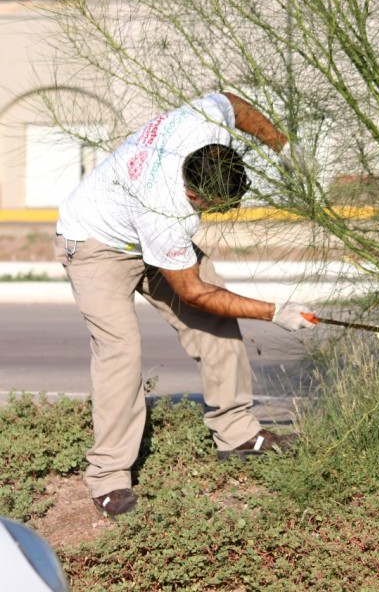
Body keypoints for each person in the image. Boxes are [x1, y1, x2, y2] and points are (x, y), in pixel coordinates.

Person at [55, 91, 317, 519]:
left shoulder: (205, 124)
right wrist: (276, 312)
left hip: (135, 226)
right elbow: (194, 292)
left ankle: (236, 435)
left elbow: (232, 102)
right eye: (221, 207)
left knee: (216, 328)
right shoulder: (168, 211)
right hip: (94, 245)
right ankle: (108, 478)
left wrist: (283, 145)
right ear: (196, 197)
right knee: (121, 351)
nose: (227, 211)